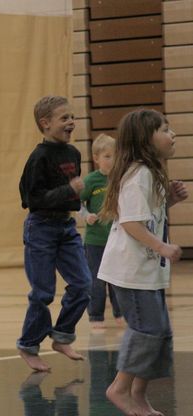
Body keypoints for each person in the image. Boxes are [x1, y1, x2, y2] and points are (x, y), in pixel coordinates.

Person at [98, 109, 188, 416]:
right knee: (148, 331)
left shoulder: (149, 174)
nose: (172, 134)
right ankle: (119, 389)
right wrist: (162, 247)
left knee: (159, 333)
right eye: (164, 129)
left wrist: (170, 200)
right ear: (145, 140)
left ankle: (138, 395)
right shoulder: (139, 175)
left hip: (146, 272)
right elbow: (131, 223)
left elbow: (148, 213)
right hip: (129, 271)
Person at [17, 95, 92, 372]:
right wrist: (68, 191)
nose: (71, 122)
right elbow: (31, 198)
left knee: (83, 285)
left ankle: (61, 336)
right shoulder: (38, 157)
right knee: (43, 293)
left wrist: (77, 200)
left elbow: (72, 192)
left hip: (66, 227)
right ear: (45, 124)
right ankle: (28, 344)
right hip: (41, 228)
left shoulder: (73, 153)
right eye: (64, 118)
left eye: (73, 117)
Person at [79, 134, 123, 329]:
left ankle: (120, 313)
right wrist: (86, 214)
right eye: (107, 156)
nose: (111, 160)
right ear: (96, 158)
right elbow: (78, 203)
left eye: (114, 156)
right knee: (96, 281)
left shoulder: (120, 179)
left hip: (117, 239)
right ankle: (96, 316)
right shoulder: (91, 181)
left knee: (117, 279)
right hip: (95, 241)